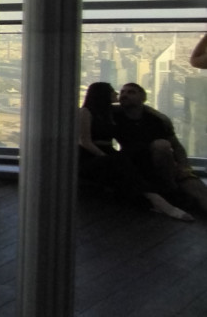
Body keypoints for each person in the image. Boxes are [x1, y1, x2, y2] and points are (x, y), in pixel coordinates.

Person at [77, 82, 190, 220]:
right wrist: (106, 157)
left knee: (133, 161)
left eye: (129, 92)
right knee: (123, 165)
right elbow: (84, 141)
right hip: (92, 156)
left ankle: (156, 199)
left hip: (109, 154)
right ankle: (160, 202)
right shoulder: (87, 112)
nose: (119, 94)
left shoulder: (109, 112)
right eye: (116, 91)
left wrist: (157, 114)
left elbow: (141, 108)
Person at [113, 82, 207, 216]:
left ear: (142, 98)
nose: (124, 95)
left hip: (164, 167)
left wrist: (184, 168)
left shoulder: (157, 120)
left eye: (131, 92)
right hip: (135, 167)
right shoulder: (114, 115)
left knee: (198, 190)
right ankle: (171, 192)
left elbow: (176, 146)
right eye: (123, 92)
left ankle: (172, 190)